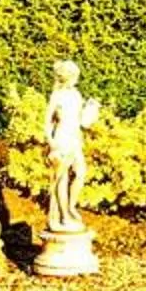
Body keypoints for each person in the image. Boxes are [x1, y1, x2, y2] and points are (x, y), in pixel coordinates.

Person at [42, 60, 99, 234]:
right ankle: (64, 215)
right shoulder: (56, 96)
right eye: (74, 76)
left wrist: (91, 109)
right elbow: (46, 122)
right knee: (62, 177)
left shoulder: (76, 94)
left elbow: (82, 121)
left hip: (75, 138)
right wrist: (52, 144)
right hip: (62, 139)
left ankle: (71, 206)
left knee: (81, 173)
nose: (76, 79)